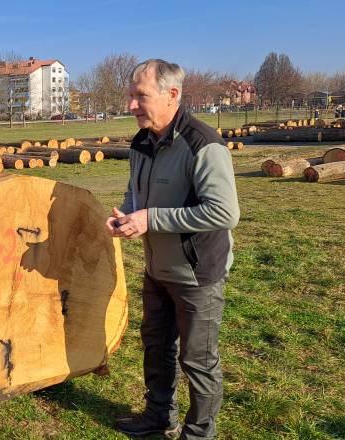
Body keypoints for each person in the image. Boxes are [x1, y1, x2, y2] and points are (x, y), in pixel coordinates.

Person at [107, 59, 240, 440]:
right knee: (156, 346)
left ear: (172, 95)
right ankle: (158, 416)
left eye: (141, 96)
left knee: (197, 361)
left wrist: (150, 220)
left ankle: (198, 434)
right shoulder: (142, 140)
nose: (131, 105)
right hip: (157, 267)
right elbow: (136, 193)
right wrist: (126, 215)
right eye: (130, 96)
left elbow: (225, 212)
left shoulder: (203, 144)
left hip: (196, 273)